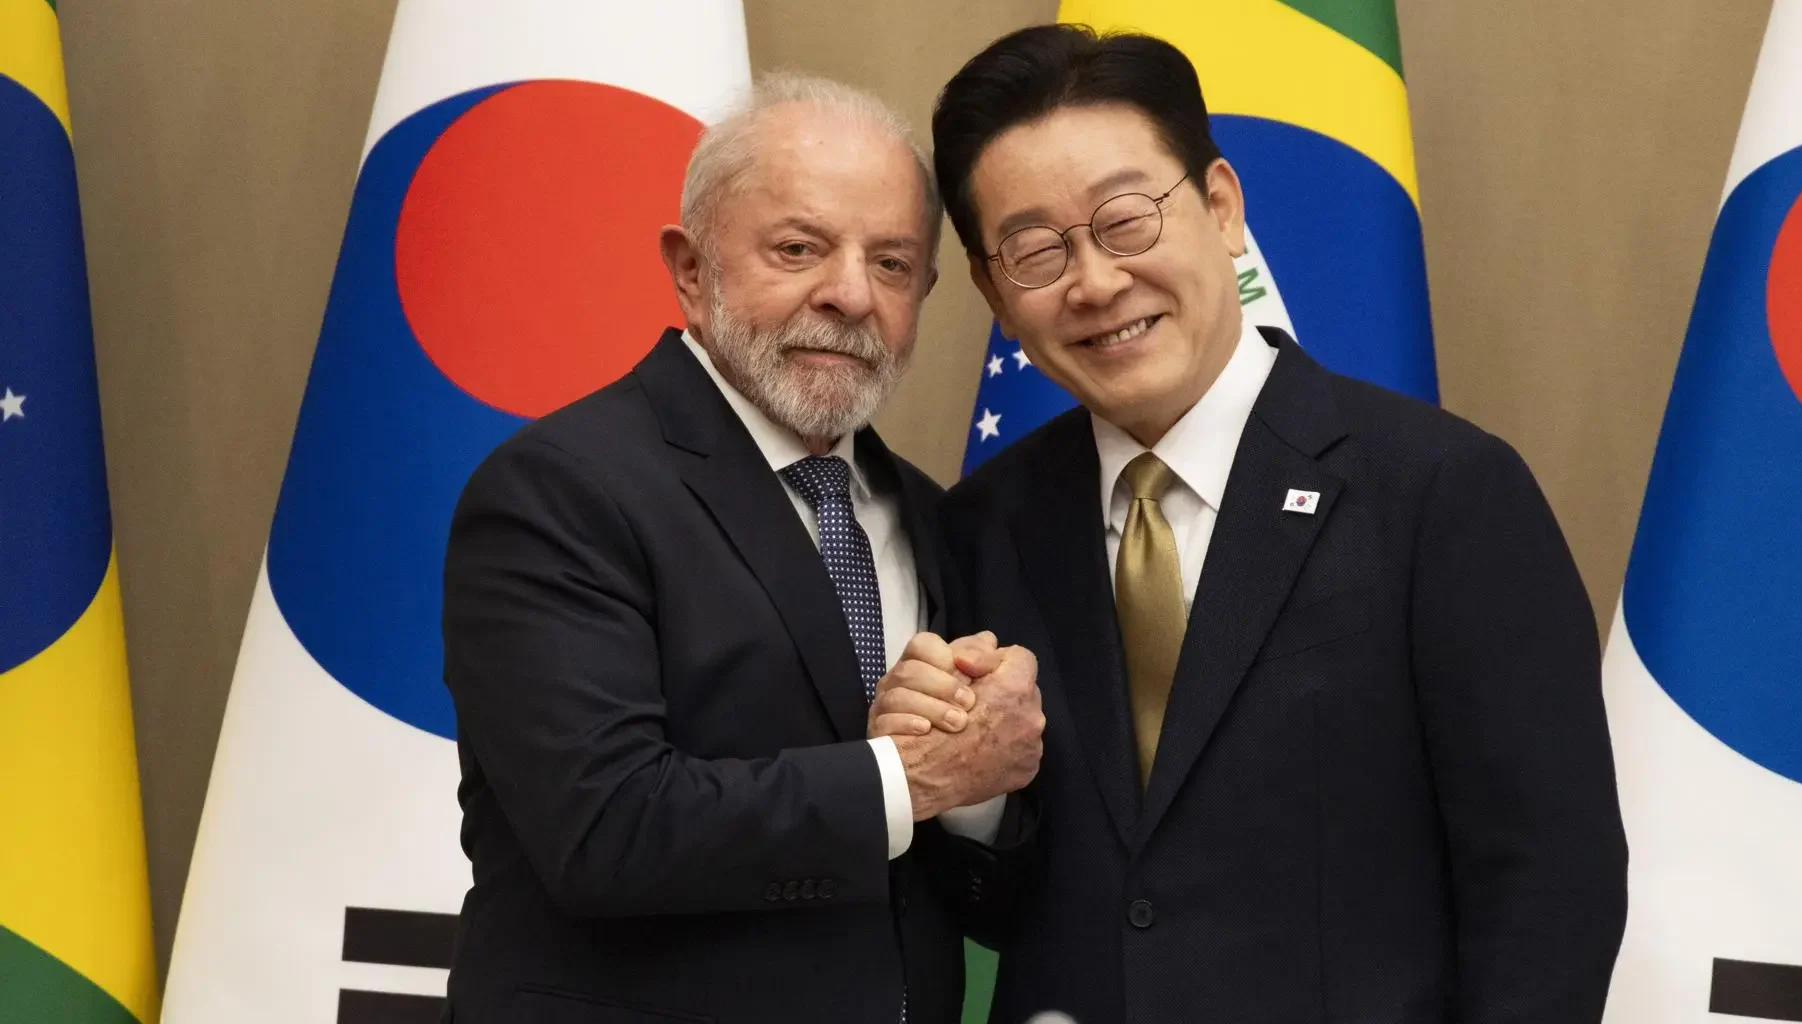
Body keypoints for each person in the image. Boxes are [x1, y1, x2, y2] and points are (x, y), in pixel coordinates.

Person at [912, 24, 1629, 1024]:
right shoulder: (983, 526)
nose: (1096, 281)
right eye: (1037, 251)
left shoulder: (1442, 493)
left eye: (1127, 220)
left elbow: (1552, 884)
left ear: (1221, 207)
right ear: (994, 290)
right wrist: (976, 797)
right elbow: (1001, 908)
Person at [439, 73, 1043, 1024]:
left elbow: (963, 883)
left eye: (891, 263)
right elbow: (603, 829)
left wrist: (978, 785)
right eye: (799, 248)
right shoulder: (560, 491)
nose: (850, 295)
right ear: (691, 269)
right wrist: (910, 777)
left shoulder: (937, 518)